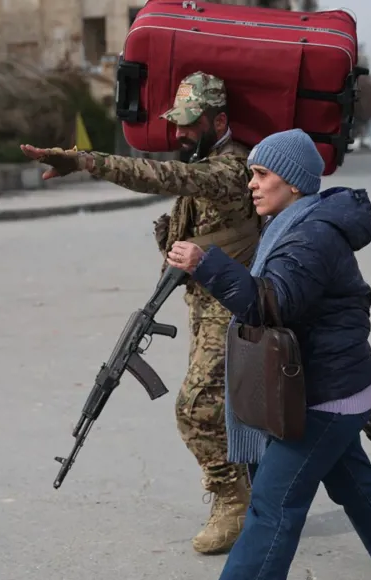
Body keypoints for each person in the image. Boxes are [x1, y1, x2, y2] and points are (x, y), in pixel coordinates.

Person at [165, 129, 371, 580]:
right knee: (359, 488)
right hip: (333, 388)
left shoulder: (311, 236)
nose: (251, 184)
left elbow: (272, 303)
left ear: (293, 182)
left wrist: (206, 264)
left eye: (261, 174)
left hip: (323, 397)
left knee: (272, 506)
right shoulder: (293, 224)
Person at [20, 71, 260, 555]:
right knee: (228, 407)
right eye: (178, 123)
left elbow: (160, 176)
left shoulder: (231, 170)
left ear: (219, 121)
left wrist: (85, 161)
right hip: (204, 303)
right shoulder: (205, 160)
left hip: (231, 306)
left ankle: (233, 500)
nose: (181, 132)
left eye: (191, 124)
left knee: (196, 408)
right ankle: (258, 493)